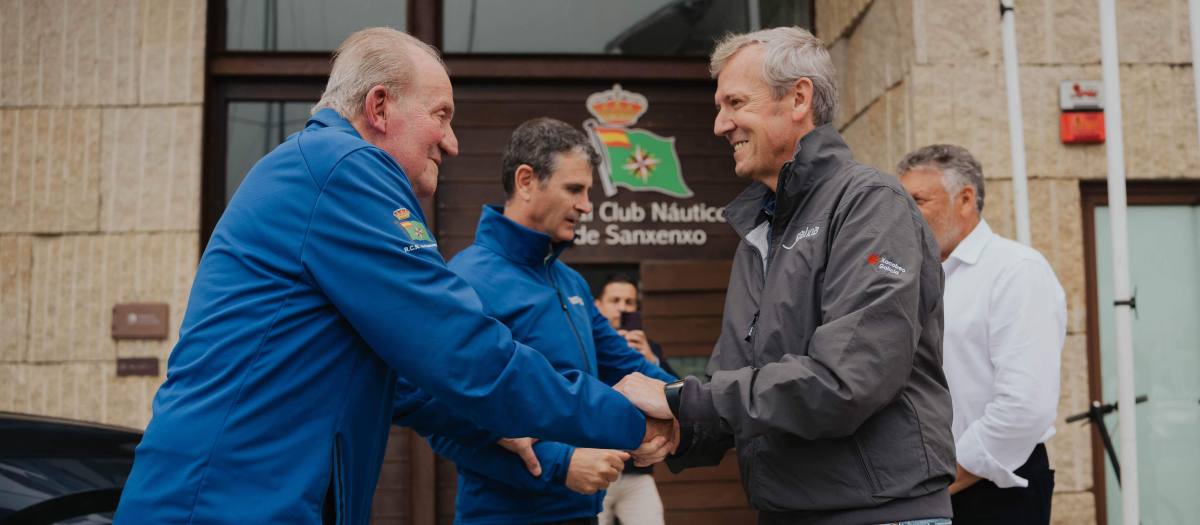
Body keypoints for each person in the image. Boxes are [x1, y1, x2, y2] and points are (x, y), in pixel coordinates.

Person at [113, 29, 670, 525]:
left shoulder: (321, 169)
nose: (451, 143)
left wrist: (498, 429)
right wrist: (627, 422)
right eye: (442, 116)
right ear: (379, 107)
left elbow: (406, 385)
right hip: (227, 504)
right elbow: (462, 351)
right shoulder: (345, 168)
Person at [614, 27, 957, 525]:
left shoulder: (870, 204)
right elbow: (739, 388)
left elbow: (846, 381)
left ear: (798, 98)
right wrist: (680, 431)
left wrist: (678, 399)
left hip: (880, 515)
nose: (719, 124)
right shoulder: (761, 232)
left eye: (734, 102)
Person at [416, 117, 677, 525]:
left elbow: (626, 364)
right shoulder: (467, 279)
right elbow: (441, 413)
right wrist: (560, 461)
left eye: (587, 191)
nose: (587, 205)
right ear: (525, 181)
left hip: (581, 512)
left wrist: (692, 404)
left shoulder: (569, 280)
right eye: (574, 189)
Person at [898, 145, 1065, 524]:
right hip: (922, 488)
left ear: (965, 199)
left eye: (917, 201)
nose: (904, 215)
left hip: (992, 489)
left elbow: (1026, 407)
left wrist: (943, 478)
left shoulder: (1016, 271)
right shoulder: (911, 277)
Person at [593, 274, 675, 525]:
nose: (622, 308)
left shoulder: (647, 348)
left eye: (629, 302)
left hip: (638, 469)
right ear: (598, 306)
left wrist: (649, 358)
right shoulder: (585, 345)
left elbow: (678, 392)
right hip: (594, 463)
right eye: (615, 300)